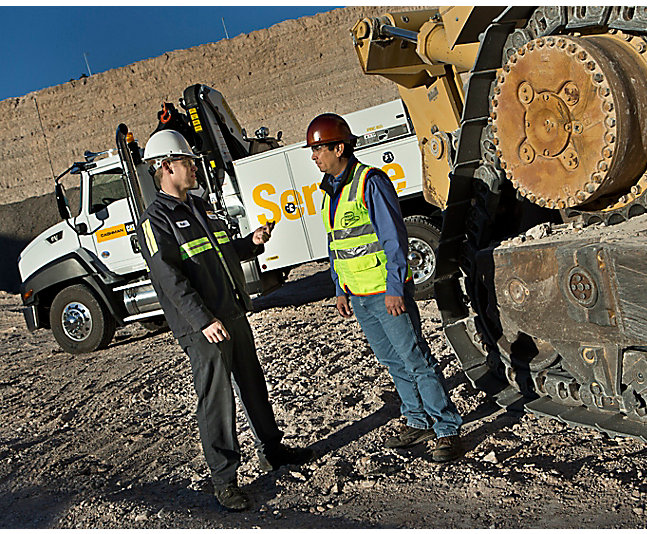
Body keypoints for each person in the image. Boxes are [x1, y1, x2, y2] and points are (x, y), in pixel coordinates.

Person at [136, 129, 314, 512]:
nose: (194, 167)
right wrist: (202, 321)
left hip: (231, 313)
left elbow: (220, 254)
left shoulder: (197, 208)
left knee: (253, 385)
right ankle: (224, 480)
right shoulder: (157, 221)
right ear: (165, 167)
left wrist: (250, 244)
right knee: (217, 401)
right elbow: (170, 278)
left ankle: (273, 449)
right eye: (187, 162)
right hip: (204, 326)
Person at [307, 113, 463, 462]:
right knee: (392, 361)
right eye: (313, 151)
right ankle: (417, 419)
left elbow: (394, 239)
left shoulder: (369, 182)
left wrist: (396, 286)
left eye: (318, 149)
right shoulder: (330, 193)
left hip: (386, 293)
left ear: (339, 147)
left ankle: (447, 428)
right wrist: (340, 287)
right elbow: (336, 245)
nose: (314, 157)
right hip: (359, 296)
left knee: (415, 359)